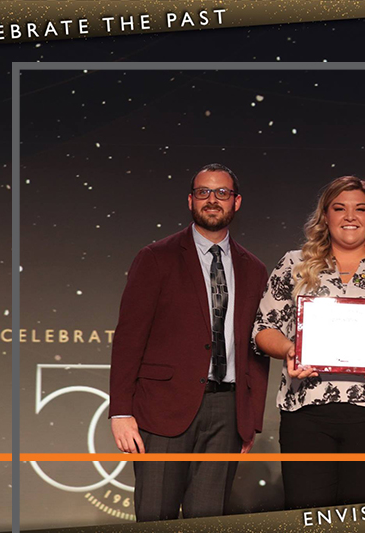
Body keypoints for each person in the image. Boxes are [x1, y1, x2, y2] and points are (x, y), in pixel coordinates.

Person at [253, 176, 365, 510]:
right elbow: (264, 329)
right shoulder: (294, 264)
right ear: (326, 216)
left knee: (361, 519)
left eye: (360, 209)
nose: (350, 216)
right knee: (307, 516)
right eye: (340, 208)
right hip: (306, 412)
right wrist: (290, 349)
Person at [108, 164, 269, 521]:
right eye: (203, 192)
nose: (212, 200)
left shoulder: (254, 269)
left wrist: (250, 418)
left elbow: (255, 349)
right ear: (190, 200)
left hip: (227, 413)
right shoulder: (156, 258)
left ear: (237, 202)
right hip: (163, 408)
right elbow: (129, 338)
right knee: (155, 514)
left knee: (208, 519)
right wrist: (121, 411)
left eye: (222, 193)